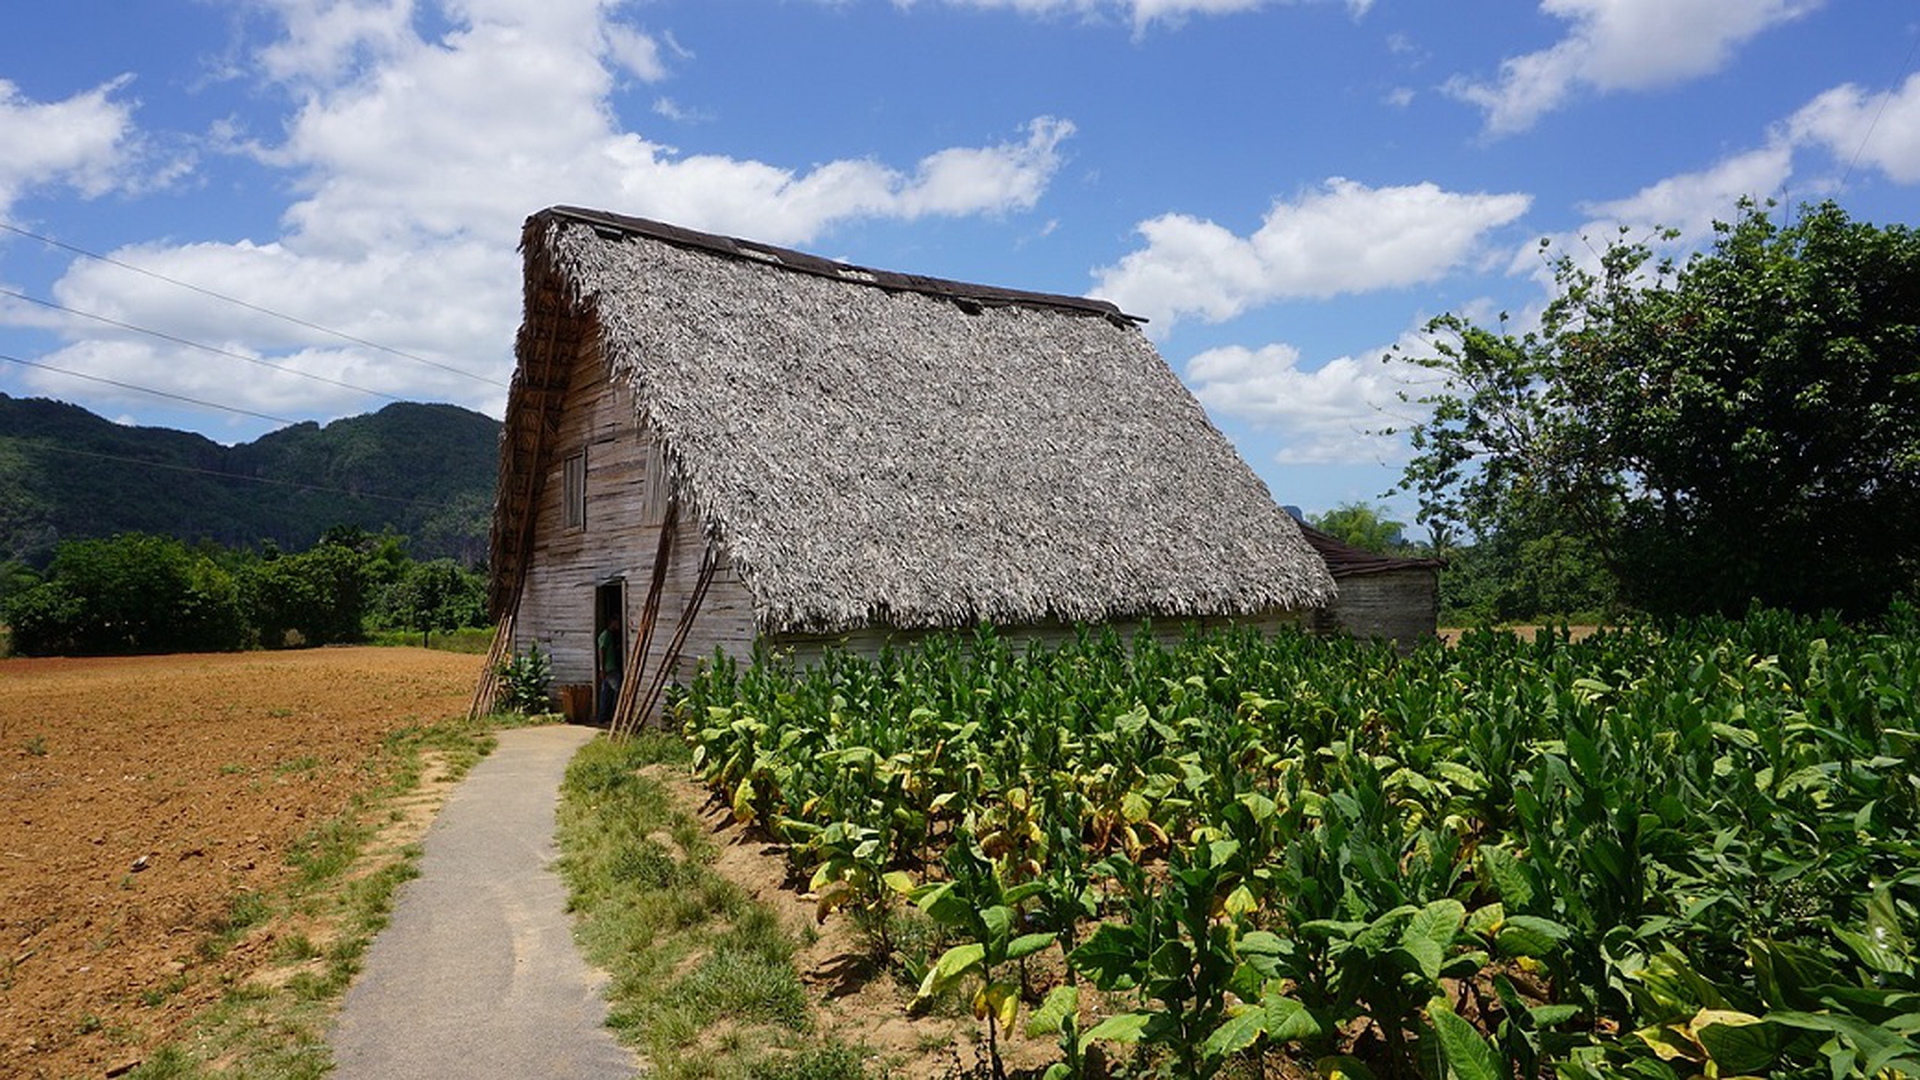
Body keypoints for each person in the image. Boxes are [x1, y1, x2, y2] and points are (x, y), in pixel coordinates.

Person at [596, 616, 622, 725]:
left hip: (609, 668)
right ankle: (612, 715)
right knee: (618, 691)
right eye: (618, 622)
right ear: (613, 622)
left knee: (606, 693)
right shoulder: (606, 635)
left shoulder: (610, 635)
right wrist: (602, 668)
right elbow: (601, 651)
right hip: (610, 668)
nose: (619, 625)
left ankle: (603, 717)